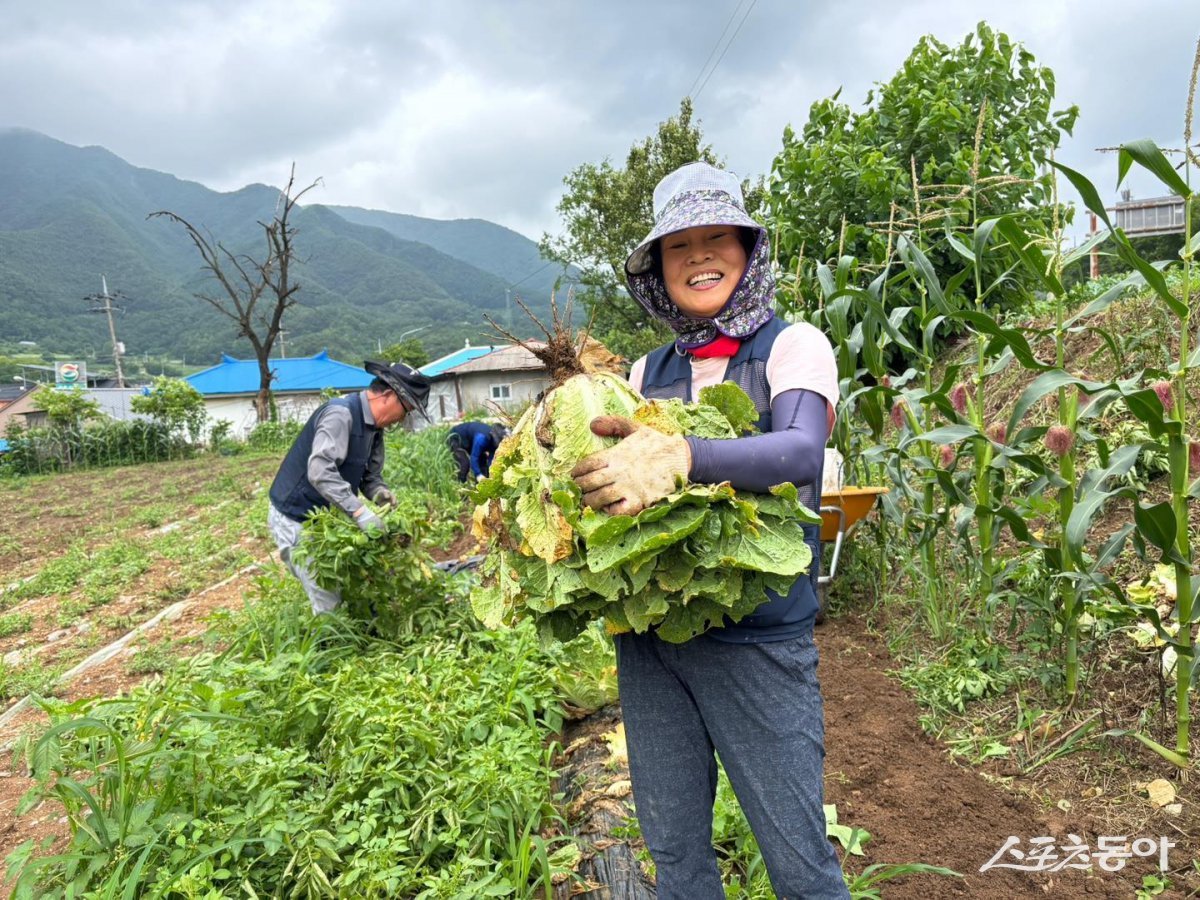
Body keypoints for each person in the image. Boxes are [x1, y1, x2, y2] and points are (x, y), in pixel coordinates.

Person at [570, 162, 848, 898]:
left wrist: (682, 454)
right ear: (657, 269)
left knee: (800, 865)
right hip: (653, 646)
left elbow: (797, 453)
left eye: (718, 235)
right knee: (678, 857)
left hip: (757, 643)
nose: (699, 255)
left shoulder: (794, 347)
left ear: (749, 249)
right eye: (678, 244)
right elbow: (612, 488)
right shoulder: (644, 369)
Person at [267, 360, 431, 613]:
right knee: (326, 595)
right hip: (295, 517)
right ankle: (331, 645)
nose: (402, 419)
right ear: (388, 396)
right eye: (405, 410)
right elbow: (320, 471)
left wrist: (379, 492)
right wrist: (359, 512)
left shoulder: (375, 429)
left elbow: (369, 475)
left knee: (347, 583)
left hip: (324, 518)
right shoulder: (340, 414)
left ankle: (357, 632)